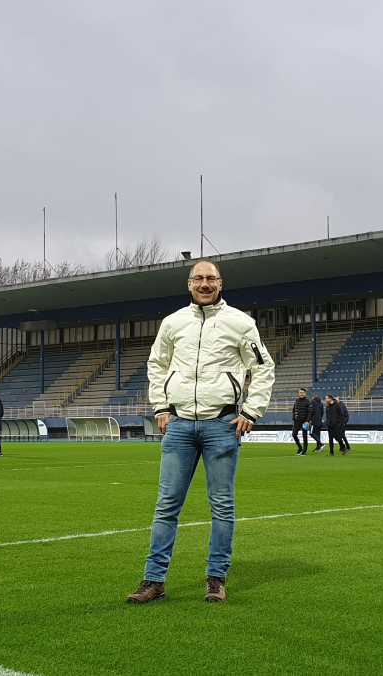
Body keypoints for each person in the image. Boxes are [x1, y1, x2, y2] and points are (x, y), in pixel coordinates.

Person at [127, 259, 274, 605]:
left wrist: (252, 411)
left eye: (211, 279)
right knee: (166, 506)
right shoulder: (173, 322)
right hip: (178, 425)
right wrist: (161, 408)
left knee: (222, 507)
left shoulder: (240, 322)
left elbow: (263, 369)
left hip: (222, 425)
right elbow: (156, 365)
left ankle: (216, 578)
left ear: (220, 284)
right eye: (199, 279)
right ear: (189, 284)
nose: (205, 284)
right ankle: (154, 580)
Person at [291, 388, 311, 456]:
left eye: (302, 392)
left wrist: (307, 421)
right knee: (294, 434)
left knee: (304, 437)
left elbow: (310, 412)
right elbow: (294, 410)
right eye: (300, 392)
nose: (301, 394)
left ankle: (304, 451)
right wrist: (294, 417)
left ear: (305, 394)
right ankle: (300, 448)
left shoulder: (308, 401)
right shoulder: (296, 401)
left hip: (304, 422)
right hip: (297, 421)